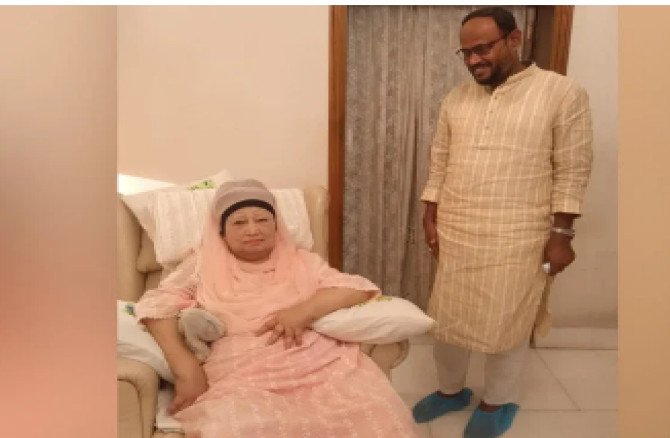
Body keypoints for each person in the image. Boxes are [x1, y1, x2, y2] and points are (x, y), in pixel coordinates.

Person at [412, 6, 593, 438]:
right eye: (466, 53)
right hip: (458, 227)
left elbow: (572, 168)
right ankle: (451, 390)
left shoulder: (561, 93)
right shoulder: (456, 99)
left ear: (514, 39)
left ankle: (497, 400)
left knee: (507, 320)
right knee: (448, 319)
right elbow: (440, 162)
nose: (474, 60)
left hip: (519, 232)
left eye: (483, 49)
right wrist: (430, 216)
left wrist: (562, 235)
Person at [135, 179, 420, 437]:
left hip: (317, 362)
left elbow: (356, 288)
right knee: (235, 427)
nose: (253, 230)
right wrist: (186, 369)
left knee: (380, 415)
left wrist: (304, 311)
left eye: (262, 219)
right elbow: (156, 305)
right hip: (241, 371)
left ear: (276, 225)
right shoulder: (201, 264)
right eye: (239, 222)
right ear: (221, 231)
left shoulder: (302, 261)